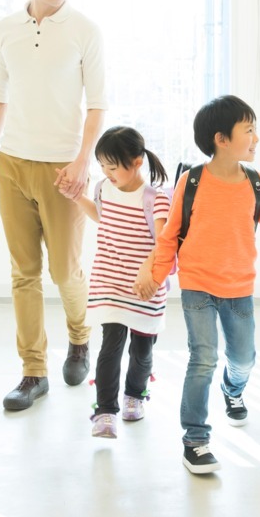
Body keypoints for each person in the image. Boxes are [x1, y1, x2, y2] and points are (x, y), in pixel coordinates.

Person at [150, 95, 260, 475]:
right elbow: (169, 237)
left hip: (239, 288)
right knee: (203, 359)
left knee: (244, 358)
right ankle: (195, 440)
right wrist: (154, 277)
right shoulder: (191, 181)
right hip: (197, 284)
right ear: (221, 139)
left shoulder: (256, 184)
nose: (256, 138)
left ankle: (232, 390)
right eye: (248, 130)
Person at [0, 0, 108, 411]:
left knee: (65, 270)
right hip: (12, 164)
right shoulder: (5, 29)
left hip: (63, 168)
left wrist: (82, 161)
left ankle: (80, 337)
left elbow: (98, 105)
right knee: (24, 273)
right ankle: (33, 371)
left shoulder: (85, 31)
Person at [70, 127, 170, 438]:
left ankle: (135, 395)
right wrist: (76, 197)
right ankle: (105, 412)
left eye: (112, 167)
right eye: (102, 166)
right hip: (109, 281)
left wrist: (147, 272)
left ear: (137, 162)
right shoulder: (103, 188)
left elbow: (164, 243)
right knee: (110, 346)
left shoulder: (156, 198)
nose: (106, 173)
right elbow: (103, 216)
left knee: (142, 351)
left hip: (144, 288)